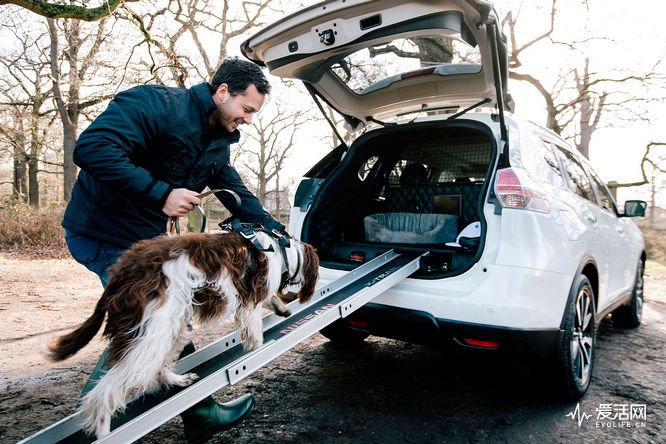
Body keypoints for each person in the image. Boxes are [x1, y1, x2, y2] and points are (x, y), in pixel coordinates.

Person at [61, 57, 284, 443]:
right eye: (247, 109)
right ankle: (85, 432)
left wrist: (277, 232)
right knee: (151, 325)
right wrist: (160, 193)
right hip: (100, 232)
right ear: (222, 91)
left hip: (143, 240)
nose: (249, 119)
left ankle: (201, 412)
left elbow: (234, 189)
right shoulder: (155, 104)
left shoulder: (217, 140)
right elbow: (93, 149)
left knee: (172, 318)